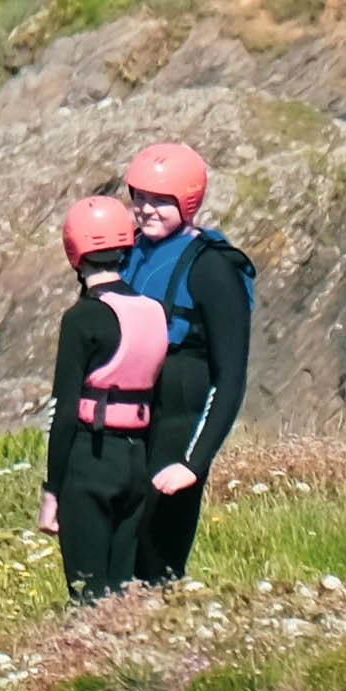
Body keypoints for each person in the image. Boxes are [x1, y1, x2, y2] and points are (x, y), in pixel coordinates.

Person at [115, 141, 259, 585]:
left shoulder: (213, 268)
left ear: (188, 201)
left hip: (178, 431)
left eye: (160, 200)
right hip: (130, 426)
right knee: (116, 556)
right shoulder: (127, 252)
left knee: (157, 561)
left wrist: (193, 464)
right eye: (139, 197)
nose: (145, 209)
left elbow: (230, 377)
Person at [41, 197, 171, 602]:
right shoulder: (154, 310)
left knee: (87, 594)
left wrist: (53, 490)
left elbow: (64, 412)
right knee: (124, 594)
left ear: (74, 251)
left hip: (90, 458)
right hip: (137, 460)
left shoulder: (82, 318)